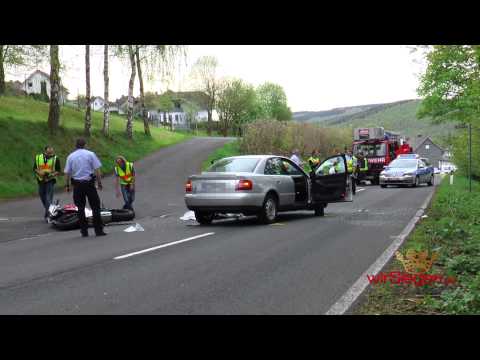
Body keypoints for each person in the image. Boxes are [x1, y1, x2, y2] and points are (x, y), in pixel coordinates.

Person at [64, 138, 106, 237]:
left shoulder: (70, 156)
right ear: (85, 145)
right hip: (89, 184)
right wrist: (99, 183)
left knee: (80, 208)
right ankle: (98, 230)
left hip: (77, 185)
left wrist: (67, 185)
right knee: (95, 207)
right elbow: (97, 170)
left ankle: (84, 231)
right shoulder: (90, 154)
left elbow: (67, 173)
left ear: (76, 145)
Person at [33, 146, 61, 221]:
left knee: (48, 197)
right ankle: (51, 210)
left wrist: (50, 175)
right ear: (45, 151)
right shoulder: (38, 157)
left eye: (51, 153)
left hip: (50, 180)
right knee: (42, 196)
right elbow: (35, 168)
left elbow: (58, 171)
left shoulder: (55, 158)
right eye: (49, 153)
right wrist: (40, 173)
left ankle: (48, 215)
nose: (50, 154)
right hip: (40, 180)